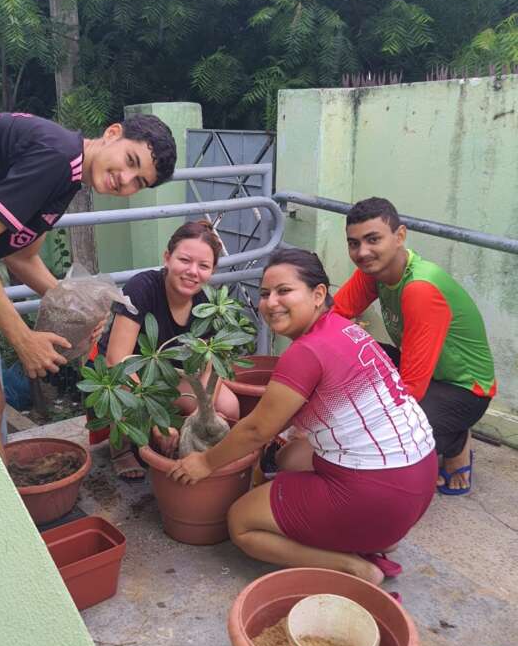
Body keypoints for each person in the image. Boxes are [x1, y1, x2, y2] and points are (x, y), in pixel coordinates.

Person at [169, 248, 437, 586]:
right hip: (418, 482)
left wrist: (206, 462)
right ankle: (376, 535)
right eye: (265, 293)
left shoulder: (306, 352)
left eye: (284, 291)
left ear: (318, 294)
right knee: (288, 457)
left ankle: (353, 567)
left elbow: (256, 430)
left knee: (241, 523)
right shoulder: (346, 330)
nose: (271, 303)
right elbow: (280, 423)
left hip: (375, 495)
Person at [0, 110, 177, 457]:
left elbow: (20, 256)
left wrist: (78, 310)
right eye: (130, 160)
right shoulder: (56, 158)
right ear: (113, 133)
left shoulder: (66, 166)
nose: (125, 180)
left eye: (139, 182)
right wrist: (22, 338)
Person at [332, 197, 496, 496]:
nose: (362, 252)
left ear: (400, 236)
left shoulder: (420, 287)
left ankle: (455, 440)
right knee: (345, 352)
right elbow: (332, 319)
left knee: (387, 444)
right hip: (422, 372)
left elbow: (410, 388)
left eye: (373, 239)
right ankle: (431, 439)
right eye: (354, 243)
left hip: (464, 389)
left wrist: (355, 425)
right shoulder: (373, 272)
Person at [100, 219, 240, 479]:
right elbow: (117, 360)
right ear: (167, 257)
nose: (192, 271)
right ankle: (121, 448)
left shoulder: (206, 302)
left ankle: (196, 451)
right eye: (184, 260)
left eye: (203, 266)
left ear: (212, 270)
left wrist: (203, 412)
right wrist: (157, 420)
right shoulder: (142, 287)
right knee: (118, 387)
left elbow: (212, 366)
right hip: (126, 373)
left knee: (227, 406)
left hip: (168, 374)